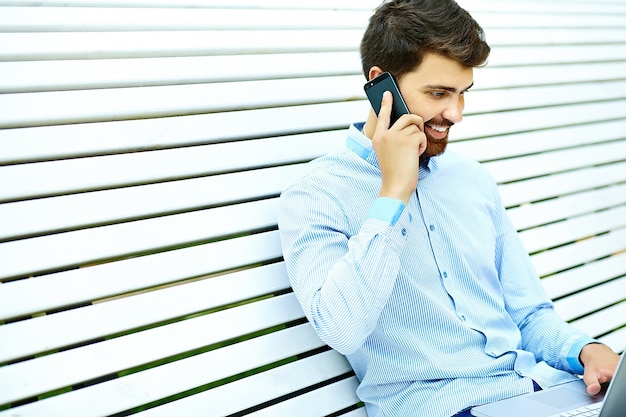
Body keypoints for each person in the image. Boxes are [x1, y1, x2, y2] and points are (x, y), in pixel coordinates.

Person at [277, 0, 620, 416]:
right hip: (439, 406)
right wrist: (395, 192)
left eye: (462, 94)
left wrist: (585, 350)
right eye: (438, 93)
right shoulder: (317, 195)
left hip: (542, 390)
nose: (454, 114)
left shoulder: (471, 179)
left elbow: (528, 313)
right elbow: (342, 329)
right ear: (380, 84)